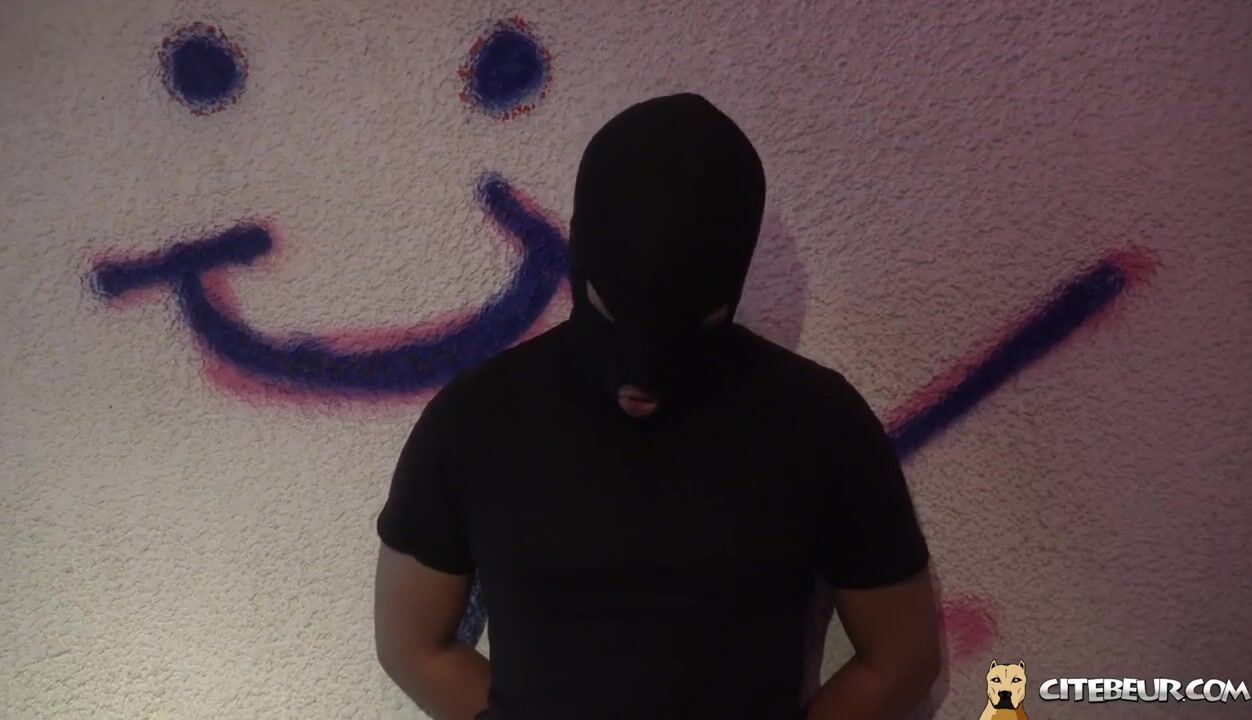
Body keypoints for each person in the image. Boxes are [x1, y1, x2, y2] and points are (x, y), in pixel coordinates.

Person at [374, 92, 940, 720]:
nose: (641, 381)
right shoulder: (475, 420)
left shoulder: (819, 424)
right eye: (613, 315)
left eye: (688, 328)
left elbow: (903, 658)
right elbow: (412, 645)